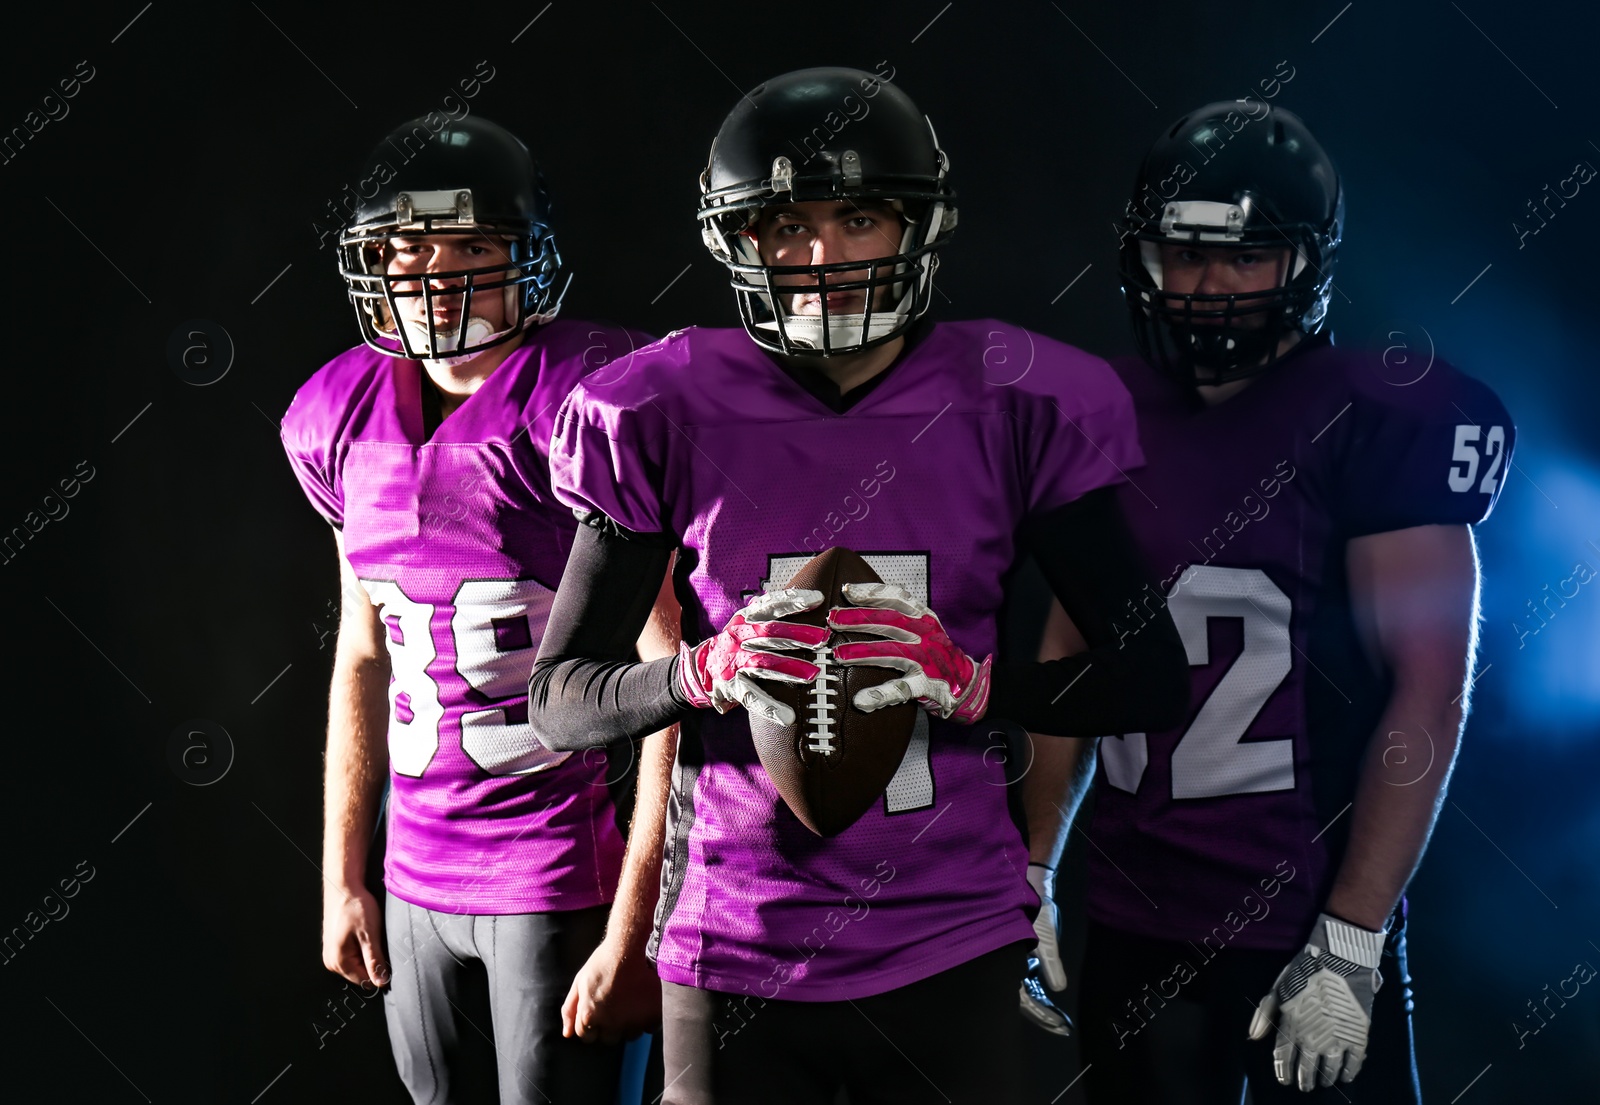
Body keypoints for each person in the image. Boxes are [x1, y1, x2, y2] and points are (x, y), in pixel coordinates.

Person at [526, 67, 1190, 1104]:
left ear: (919, 227)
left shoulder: (1015, 397)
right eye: (787, 225)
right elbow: (560, 700)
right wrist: (702, 670)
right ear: (738, 239)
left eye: (861, 217)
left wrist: (977, 685)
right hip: (732, 939)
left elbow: (1153, 677)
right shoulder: (656, 404)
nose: (823, 258)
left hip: (950, 930)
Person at [1027, 101, 1514, 1101]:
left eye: (1247, 257)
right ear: (1143, 256)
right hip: (1133, 917)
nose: (1210, 287)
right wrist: (1029, 867)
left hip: (1304, 915)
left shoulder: (1374, 420)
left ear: (1307, 263)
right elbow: (1071, 656)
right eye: (1185, 253)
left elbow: (1427, 690)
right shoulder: (1098, 414)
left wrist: (1353, 931)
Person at [280, 114, 660, 1104]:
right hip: (413, 879)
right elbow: (362, 654)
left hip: (556, 875)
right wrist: (342, 874)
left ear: (529, 260)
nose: (436, 274)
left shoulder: (586, 404)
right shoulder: (339, 415)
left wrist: (638, 923)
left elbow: (678, 680)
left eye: (474, 247)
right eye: (410, 248)